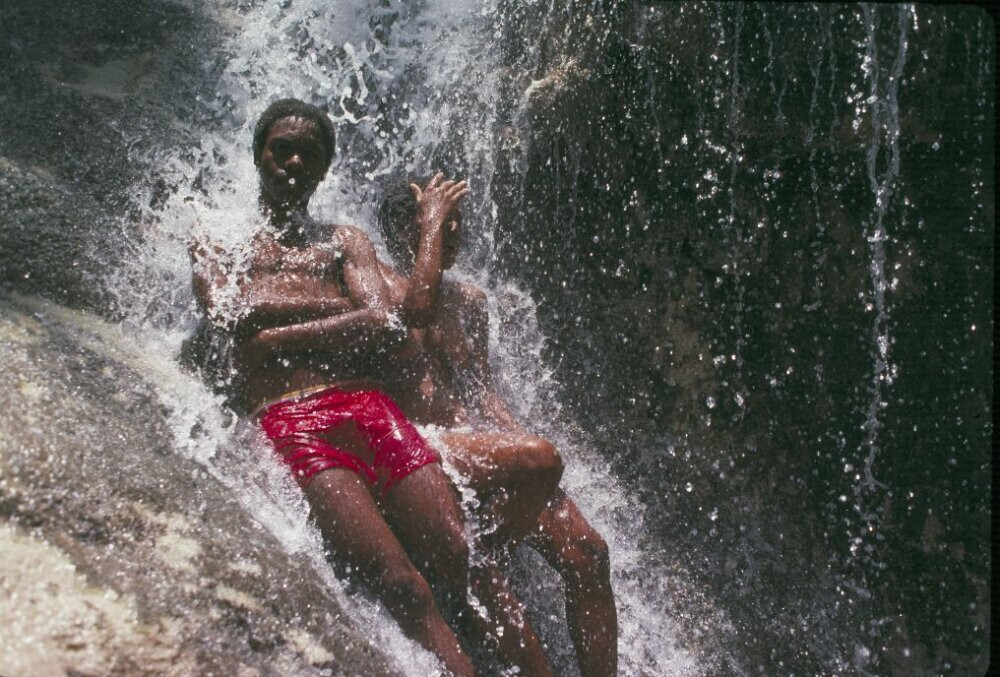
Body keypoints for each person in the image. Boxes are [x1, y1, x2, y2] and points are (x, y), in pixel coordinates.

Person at [188, 99, 556, 676]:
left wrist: (273, 331)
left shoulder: (344, 241)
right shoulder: (220, 236)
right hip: (295, 420)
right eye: (281, 147)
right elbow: (230, 308)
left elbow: (386, 319)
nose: (293, 161)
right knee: (401, 586)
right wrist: (342, 306)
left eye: (308, 154)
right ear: (258, 152)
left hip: (372, 407)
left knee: (459, 556)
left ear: (323, 169)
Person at [376, 173, 619, 677]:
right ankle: (484, 553)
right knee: (537, 458)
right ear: (407, 230)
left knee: (589, 552)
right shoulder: (381, 288)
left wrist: (510, 429)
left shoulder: (470, 302)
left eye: (459, 222)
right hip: (431, 454)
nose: (456, 234)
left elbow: (481, 389)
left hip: (485, 449)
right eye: (443, 224)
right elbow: (410, 324)